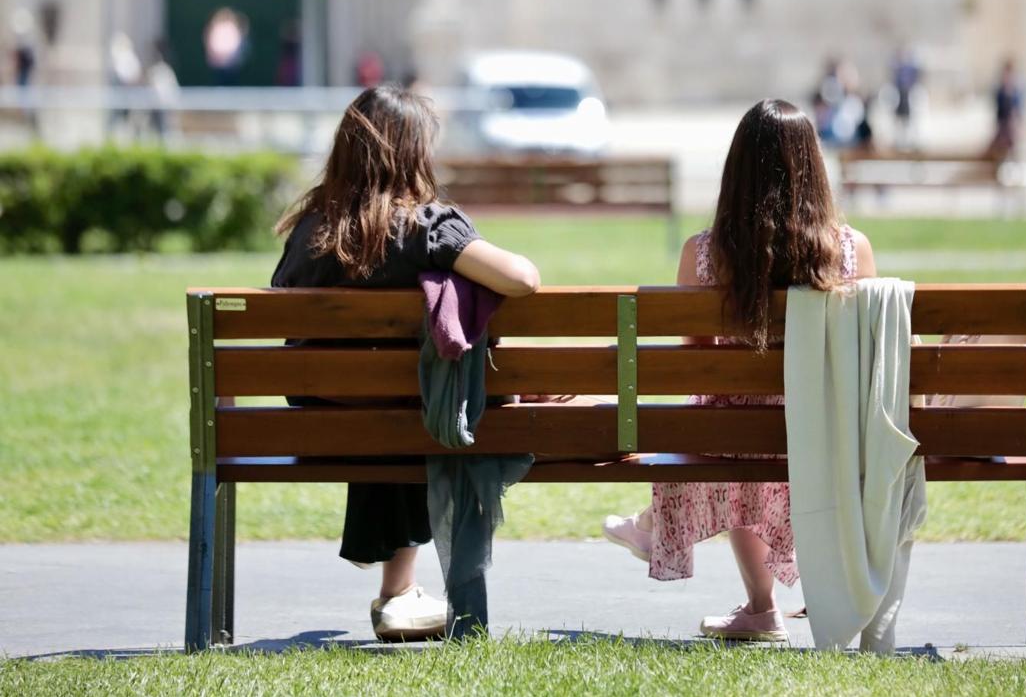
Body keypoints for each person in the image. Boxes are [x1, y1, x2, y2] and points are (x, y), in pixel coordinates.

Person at [270, 85, 541, 641]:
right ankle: (401, 591)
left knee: (384, 398)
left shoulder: (308, 232)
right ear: (413, 154)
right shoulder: (425, 227)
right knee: (413, 397)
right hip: (421, 423)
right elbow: (523, 279)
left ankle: (400, 592)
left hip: (323, 425)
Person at [602, 99, 876, 642]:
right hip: (823, 428)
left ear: (737, 171)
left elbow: (694, 359)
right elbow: (860, 353)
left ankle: (754, 600)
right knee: (756, 433)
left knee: (725, 424)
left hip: (732, 436)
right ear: (813, 169)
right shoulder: (851, 250)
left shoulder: (704, 253)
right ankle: (659, 529)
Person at [986, 58, 1023, 163]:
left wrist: (1017, 121)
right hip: (1003, 123)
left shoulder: (1016, 89)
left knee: (1013, 148)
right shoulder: (1000, 89)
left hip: (1011, 124)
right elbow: (998, 107)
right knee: (1001, 147)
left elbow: (1018, 108)